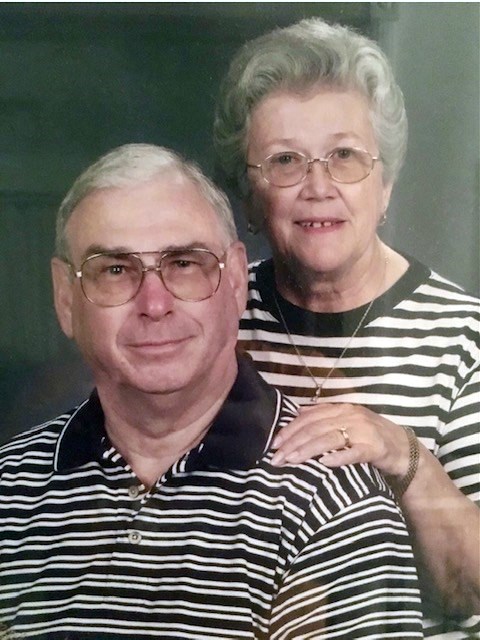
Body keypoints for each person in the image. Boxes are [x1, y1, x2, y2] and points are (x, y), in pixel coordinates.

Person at [0, 143, 423, 639]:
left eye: (184, 263)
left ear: (237, 281)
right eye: (115, 270)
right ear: (65, 298)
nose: (154, 304)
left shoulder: (333, 506)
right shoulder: (9, 487)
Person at [213, 16, 480, 640]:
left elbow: (472, 590)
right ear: (249, 198)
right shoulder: (213, 319)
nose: (318, 187)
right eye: (285, 161)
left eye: (344, 156)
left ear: (384, 186)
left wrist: (400, 453)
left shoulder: (462, 339)